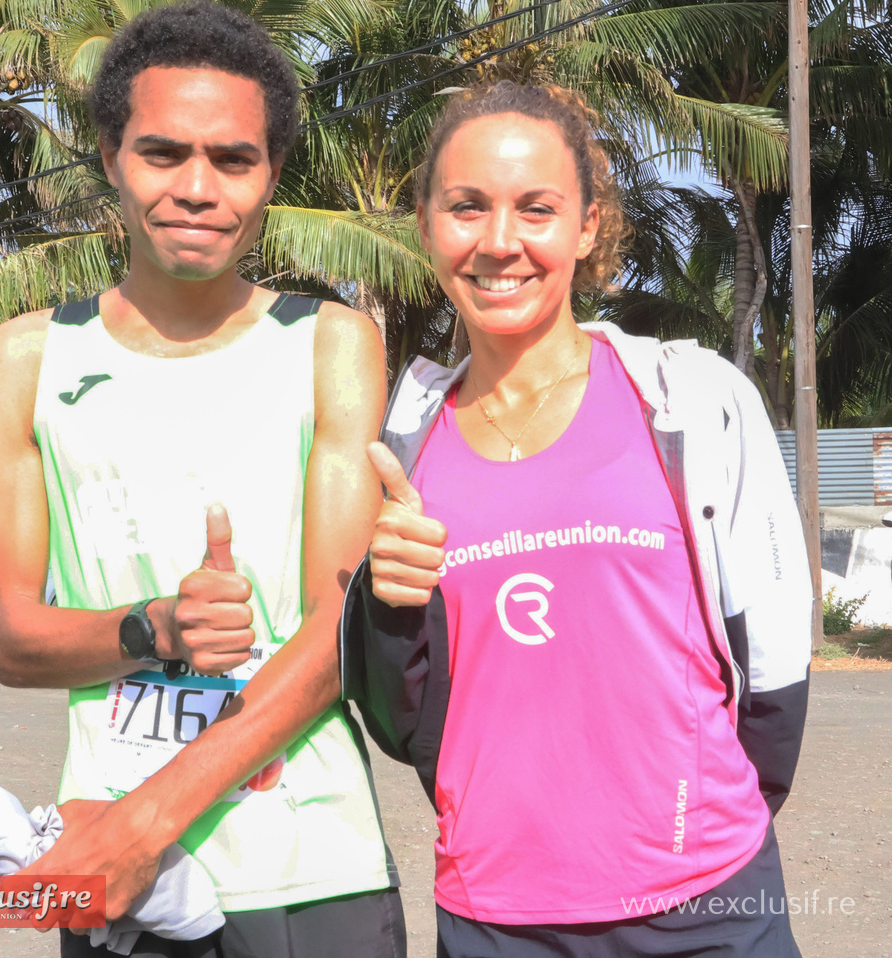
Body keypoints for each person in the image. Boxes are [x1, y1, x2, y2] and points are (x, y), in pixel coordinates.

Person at [0, 4, 405, 956]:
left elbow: (337, 641)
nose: (198, 188)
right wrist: (153, 627)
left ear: (273, 172)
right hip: (110, 870)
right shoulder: (23, 360)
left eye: (233, 159)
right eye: (163, 153)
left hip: (305, 865)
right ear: (109, 156)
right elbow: (6, 636)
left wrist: (145, 824)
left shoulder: (331, 345)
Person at [342, 81, 812, 958]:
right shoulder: (402, 443)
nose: (499, 243)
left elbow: (774, 669)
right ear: (425, 223)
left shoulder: (691, 400)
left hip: (707, 907)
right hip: (496, 915)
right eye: (467, 208)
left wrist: (694, 826)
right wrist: (387, 601)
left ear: (588, 226)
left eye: (537, 208)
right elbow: (404, 722)